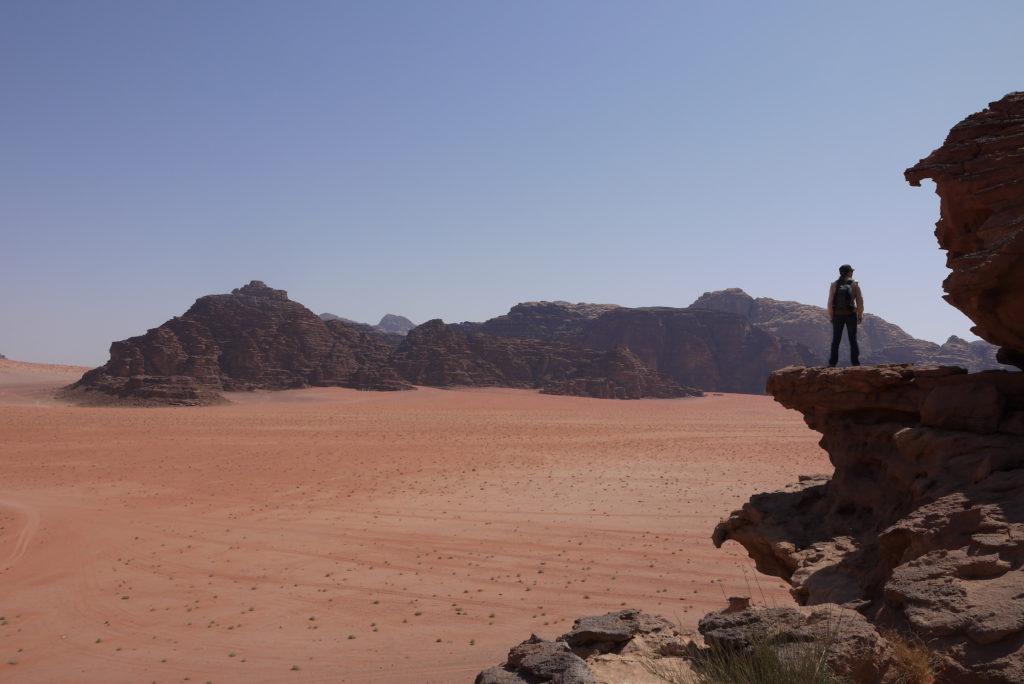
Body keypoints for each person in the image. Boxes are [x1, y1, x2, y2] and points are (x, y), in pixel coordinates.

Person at [827, 264, 863, 367]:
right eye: (851, 271)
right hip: (851, 314)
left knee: (836, 340)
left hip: (837, 315)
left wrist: (831, 316)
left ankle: (832, 363)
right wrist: (859, 315)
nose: (852, 273)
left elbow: (830, 302)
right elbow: (860, 301)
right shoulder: (855, 284)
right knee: (853, 339)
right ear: (848, 272)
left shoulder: (834, 284)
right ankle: (855, 363)